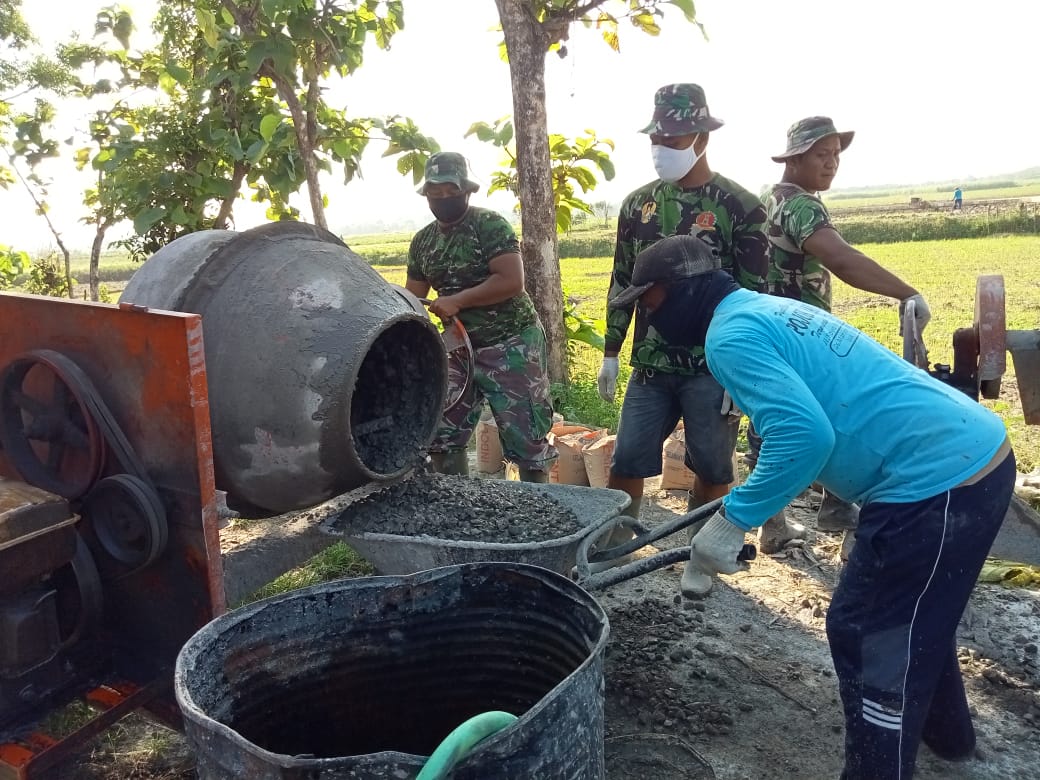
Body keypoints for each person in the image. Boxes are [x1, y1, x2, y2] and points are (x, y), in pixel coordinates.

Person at [610, 233, 1014, 780]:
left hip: (935, 482)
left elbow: (803, 438)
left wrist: (734, 518)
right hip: (975, 452)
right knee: (914, 612)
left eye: (651, 303)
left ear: (682, 292)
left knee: (867, 629)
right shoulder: (762, 308)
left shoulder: (729, 336)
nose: (649, 319)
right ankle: (949, 738)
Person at [596, 83, 802, 568]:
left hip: (715, 364)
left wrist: (746, 373)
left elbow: (756, 294)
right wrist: (610, 349)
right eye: (656, 140)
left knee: (712, 464)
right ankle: (614, 549)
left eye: (674, 139)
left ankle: (701, 550)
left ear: (702, 138)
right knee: (627, 458)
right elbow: (622, 278)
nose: (661, 150)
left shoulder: (738, 205)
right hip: (651, 361)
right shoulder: (636, 206)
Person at [762, 116, 932, 539]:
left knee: (778, 419)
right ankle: (833, 509)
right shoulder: (801, 205)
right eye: (822, 155)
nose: (832, 164)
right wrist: (907, 292)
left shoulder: (769, 199)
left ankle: (783, 522)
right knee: (844, 410)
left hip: (775, 329)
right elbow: (840, 258)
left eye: (836, 155)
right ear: (796, 159)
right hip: (802, 336)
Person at [405, 151, 557, 482]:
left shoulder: (488, 226)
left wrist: (457, 300)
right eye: (436, 193)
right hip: (458, 349)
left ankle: (539, 512)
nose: (443, 199)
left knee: (526, 436)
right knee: (442, 432)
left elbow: (511, 281)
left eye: (451, 192)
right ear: (426, 195)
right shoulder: (423, 242)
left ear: (467, 191)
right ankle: (457, 506)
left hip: (511, 343)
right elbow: (414, 296)